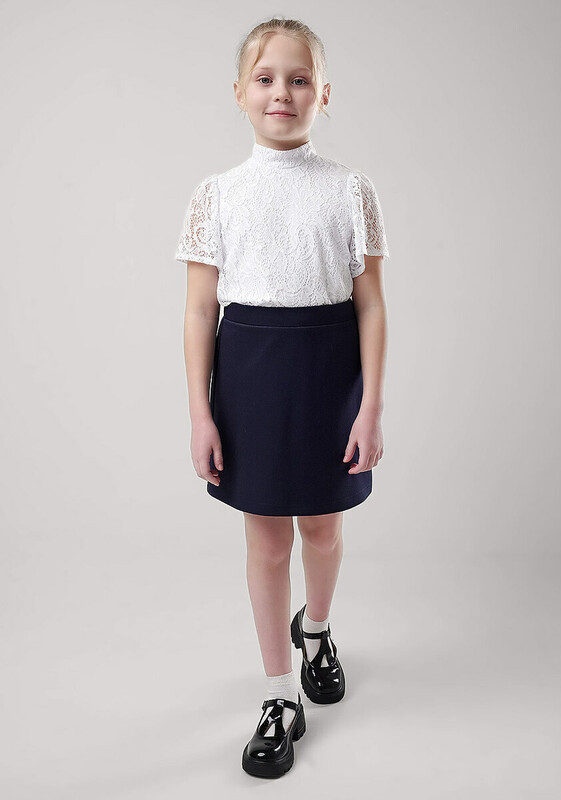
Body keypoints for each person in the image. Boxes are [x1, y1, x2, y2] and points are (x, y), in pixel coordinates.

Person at [174, 17, 391, 779]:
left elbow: (370, 303)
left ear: (323, 94)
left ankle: (317, 629)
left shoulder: (349, 189)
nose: (282, 93)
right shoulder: (215, 195)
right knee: (267, 541)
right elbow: (200, 310)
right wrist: (201, 413)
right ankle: (277, 695)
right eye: (265, 78)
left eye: (299, 80)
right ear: (239, 92)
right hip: (250, 376)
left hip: (329, 373)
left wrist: (370, 406)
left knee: (322, 530)